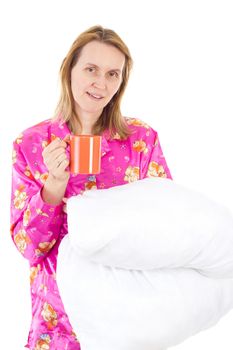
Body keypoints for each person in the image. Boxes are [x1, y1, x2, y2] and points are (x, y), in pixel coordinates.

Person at [10, 25, 173, 350]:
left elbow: (167, 227)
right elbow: (29, 248)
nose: (101, 83)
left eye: (113, 74)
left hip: (125, 322)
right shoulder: (31, 144)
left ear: (121, 83)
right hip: (57, 325)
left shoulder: (141, 140)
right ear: (69, 69)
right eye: (91, 69)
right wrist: (52, 190)